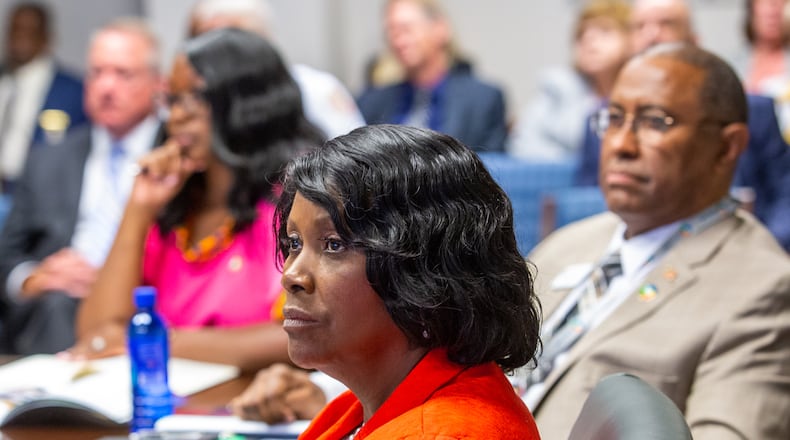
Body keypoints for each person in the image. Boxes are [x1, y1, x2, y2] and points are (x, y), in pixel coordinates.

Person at [525, 43, 790, 439]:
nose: (621, 145)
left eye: (655, 122)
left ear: (727, 146)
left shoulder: (763, 289)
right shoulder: (565, 246)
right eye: (613, 119)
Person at [71, 28, 324, 372]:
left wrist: (159, 342)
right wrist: (137, 209)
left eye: (193, 98)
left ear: (245, 102)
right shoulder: (173, 206)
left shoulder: (295, 205)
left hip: (263, 405)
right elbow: (97, 332)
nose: (175, 117)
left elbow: (308, 331)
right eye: (172, 100)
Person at [269, 124, 541, 438]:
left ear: (425, 270)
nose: (291, 276)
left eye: (333, 244)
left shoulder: (444, 433)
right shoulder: (361, 407)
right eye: (294, 244)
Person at [0, 18, 162, 354]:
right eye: (97, 72)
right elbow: (8, 255)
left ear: (157, 83)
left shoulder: (177, 155)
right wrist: (35, 277)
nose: (106, 87)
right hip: (54, 309)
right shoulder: (48, 158)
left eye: (123, 74)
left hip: (146, 303)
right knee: (54, 306)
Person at [575, 0, 790, 253]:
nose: (652, 34)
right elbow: (587, 203)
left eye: (666, 23)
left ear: (694, 40)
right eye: (640, 26)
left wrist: (761, 252)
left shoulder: (752, 111)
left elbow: (785, 196)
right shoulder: (603, 117)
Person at [187, 0, 365, 140]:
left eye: (222, 40)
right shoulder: (193, 99)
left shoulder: (315, 88)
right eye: (199, 39)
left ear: (261, 38)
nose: (207, 53)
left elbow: (355, 160)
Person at [357, 0, 508, 152]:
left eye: (406, 29)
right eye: (391, 32)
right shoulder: (370, 103)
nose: (398, 41)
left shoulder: (483, 100)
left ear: (440, 28)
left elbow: (491, 168)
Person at [508, 0, 631, 161]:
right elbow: (522, 146)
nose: (589, 39)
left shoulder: (644, 91)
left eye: (604, 31)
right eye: (581, 34)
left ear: (632, 39)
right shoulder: (557, 88)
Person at [0, 2, 87, 193]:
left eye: (30, 31)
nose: (20, 37)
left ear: (47, 37)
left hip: (38, 194)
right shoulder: (4, 80)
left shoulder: (72, 91)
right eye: (15, 29)